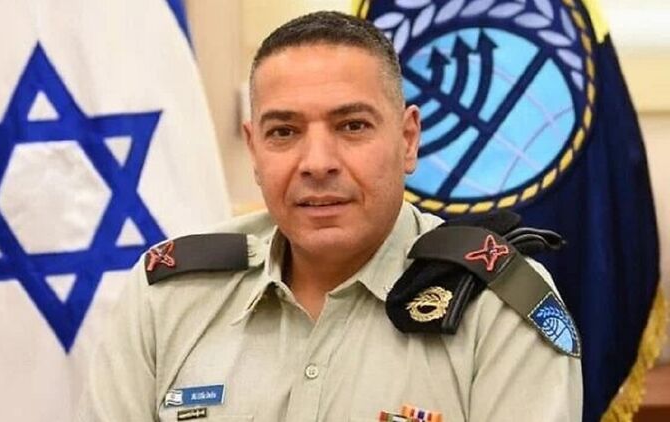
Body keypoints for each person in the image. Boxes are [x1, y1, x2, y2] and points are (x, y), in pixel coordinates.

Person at [78, 11, 582, 421]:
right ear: (254, 149)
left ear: (407, 140)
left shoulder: (497, 308)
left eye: (352, 126)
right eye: (284, 132)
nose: (317, 163)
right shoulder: (168, 300)